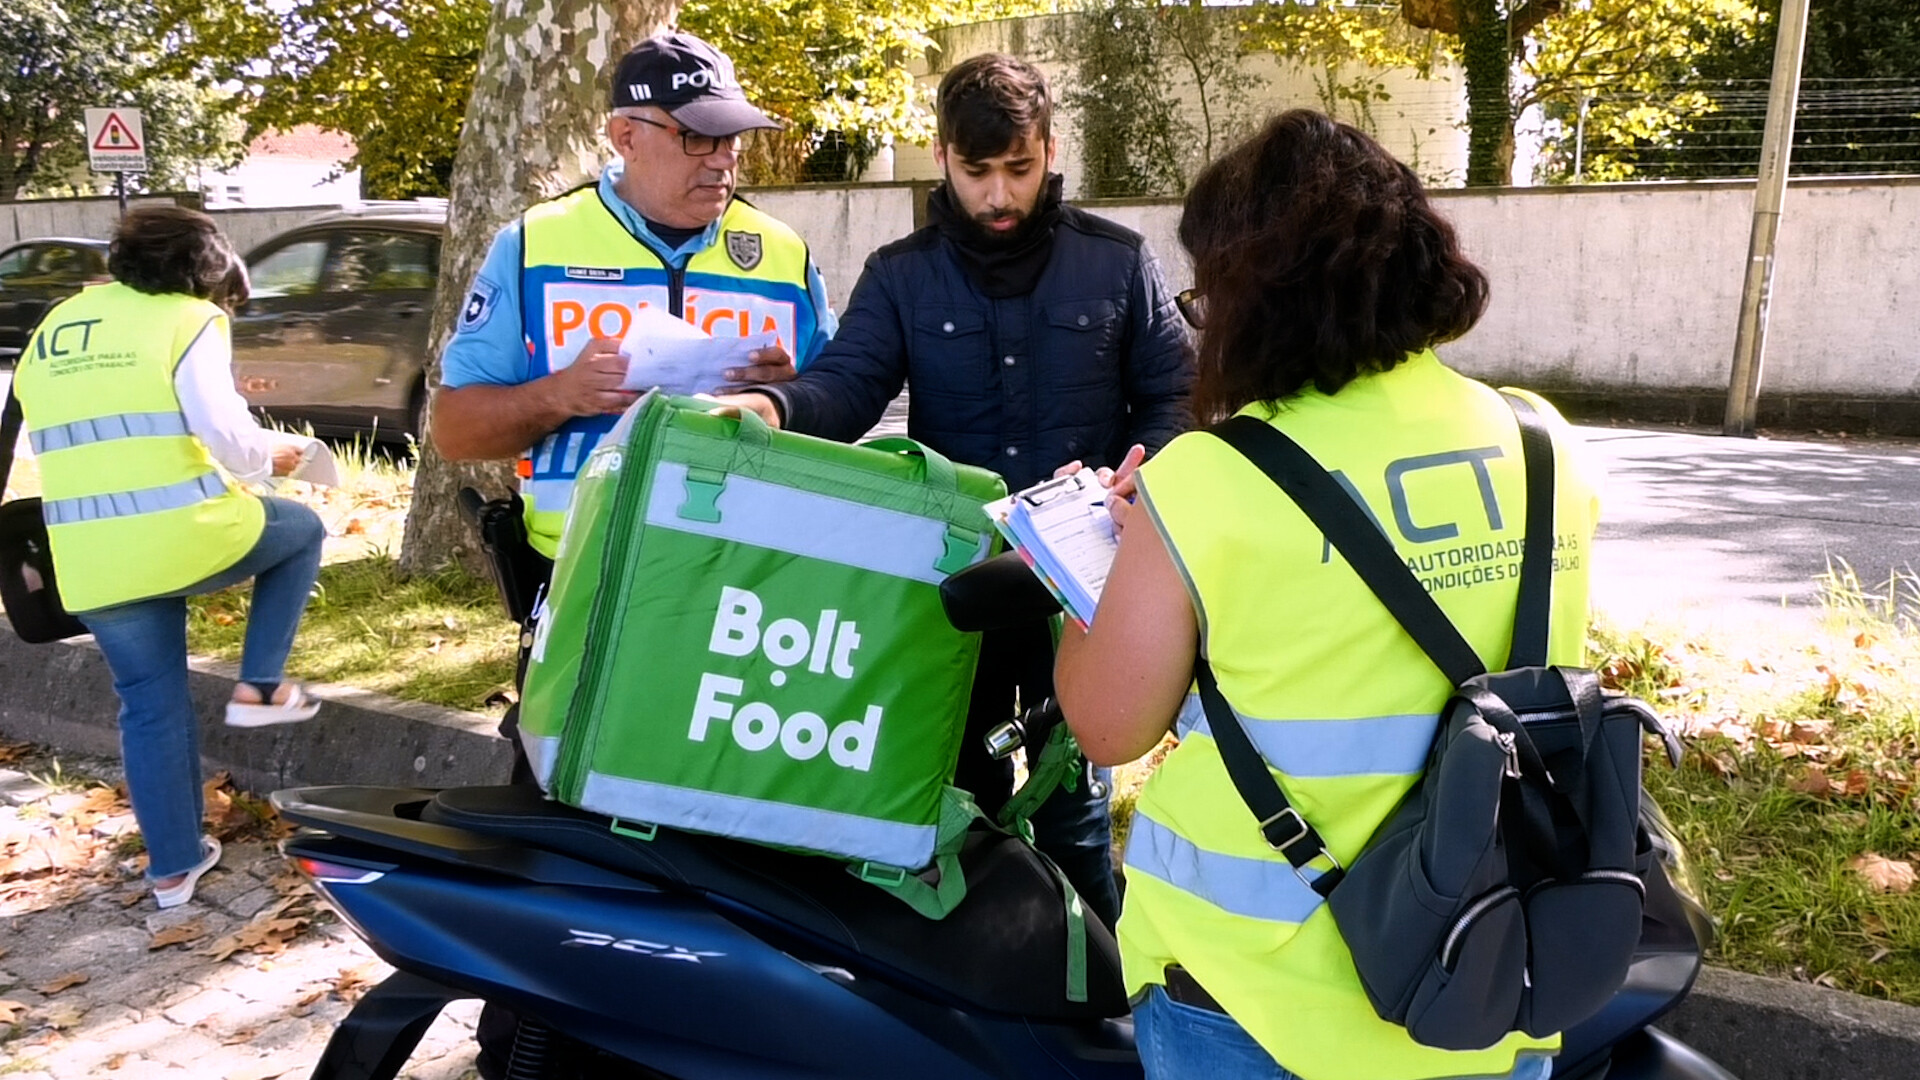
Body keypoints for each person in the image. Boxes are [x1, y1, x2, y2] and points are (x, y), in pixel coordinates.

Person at [1052, 111, 1600, 1080]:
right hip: (1486, 977)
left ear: (1254, 300)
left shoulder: (1210, 480)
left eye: (1204, 299)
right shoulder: (1542, 444)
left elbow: (1105, 724)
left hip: (1253, 1005)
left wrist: (1086, 565)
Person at [716, 52, 1195, 927]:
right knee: (952, 803)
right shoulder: (901, 274)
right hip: (956, 584)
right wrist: (771, 406)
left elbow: (1176, 394)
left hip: (1082, 590)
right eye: (979, 174)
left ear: (1050, 150)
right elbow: (850, 384)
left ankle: (1101, 1022)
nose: (1000, 196)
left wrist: (1137, 471)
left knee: (1076, 817)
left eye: (1019, 168)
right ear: (942, 158)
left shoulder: (1119, 263)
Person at [13, 206, 327, 909]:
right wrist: (274, 455)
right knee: (300, 530)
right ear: (202, 269)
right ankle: (260, 688)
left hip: (91, 554)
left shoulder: (56, 326)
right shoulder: (190, 321)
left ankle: (173, 870)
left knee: (149, 707)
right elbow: (227, 437)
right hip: (185, 532)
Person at [434, 30, 837, 565]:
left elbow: (840, 407)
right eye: (697, 137)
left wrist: (790, 399)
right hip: (582, 565)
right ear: (626, 136)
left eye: (732, 139)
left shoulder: (783, 252)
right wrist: (559, 395)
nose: (721, 161)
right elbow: (455, 431)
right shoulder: (535, 243)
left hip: (744, 571)